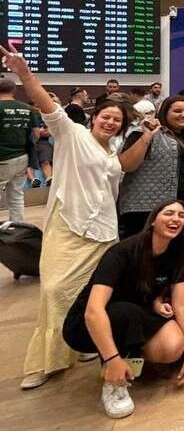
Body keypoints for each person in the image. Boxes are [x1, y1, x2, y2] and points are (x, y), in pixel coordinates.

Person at [2, 43, 130, 390]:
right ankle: (47, 361)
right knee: (55, 290)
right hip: (68, 223)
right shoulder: (72, 134)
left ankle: (84, 344)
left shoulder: (113, 153)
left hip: (103, 232)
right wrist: (24, 73)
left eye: (116, 120)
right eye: (106, 116)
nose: (110, 122)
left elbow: (116, 183)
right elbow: (45, 104)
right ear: (94, 117)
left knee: (91, 293)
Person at [60, 200, 184, 419]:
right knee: (124, 313)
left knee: (173, 347)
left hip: (134, 313)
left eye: (181, 215)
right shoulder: (121, 252)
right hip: (85, 325)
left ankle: (131, 358)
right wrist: (113, 360)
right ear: (153, 220)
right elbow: (93, 311)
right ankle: (112, 379)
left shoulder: (179, 251)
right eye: (168, 213)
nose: (176, 219)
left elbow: (182, 303)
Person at [117, 96, 184, 238]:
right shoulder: (144, 132)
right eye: (177, 111)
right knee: (142, 255)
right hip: (146, 209)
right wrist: (147, 136)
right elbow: (126, 165)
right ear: (164, 113)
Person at [0, 77, 40, 221]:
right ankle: (17, 229)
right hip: (22, 158)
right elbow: (36, 134)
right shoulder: (27, 108)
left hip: (3, 158)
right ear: (14, 90)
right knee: (16, 195)